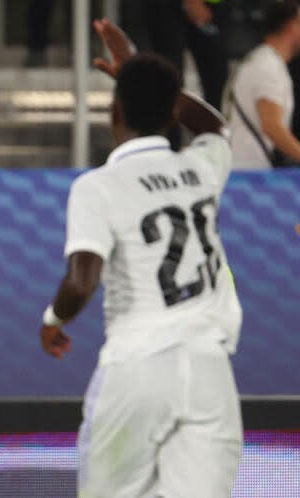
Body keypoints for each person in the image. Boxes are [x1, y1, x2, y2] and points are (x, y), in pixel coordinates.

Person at [40, 19, 243, 497]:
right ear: (172, 113)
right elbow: (215, 127)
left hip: (138, 365)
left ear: (114, 112)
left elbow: (82, 281)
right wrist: (139, 74)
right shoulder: (200, 168)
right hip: (210, 369)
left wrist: (53, 320)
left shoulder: (99, 186)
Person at [226, 0, 300, 169]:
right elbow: (272, 126)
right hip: (249, 172)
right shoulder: (268, 68)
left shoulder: (264, 61)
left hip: (246, 168)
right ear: (291, 26)